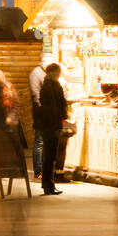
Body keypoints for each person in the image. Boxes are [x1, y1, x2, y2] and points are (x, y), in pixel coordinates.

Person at [36, 62, 68, 195]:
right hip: (51, 125)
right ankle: (48, 185)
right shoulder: (52, 86)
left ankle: (48, 185)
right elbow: (54, 107)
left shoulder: (48, 85)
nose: (59, 74)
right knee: (50, 156)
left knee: (49, 156)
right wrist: (58, 123)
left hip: (48, 125)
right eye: (58, 71)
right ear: (54, 72)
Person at [29, 54, 53, 178]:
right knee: (39, 140)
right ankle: (38, 170)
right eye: (50, 62)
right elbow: (35, 94)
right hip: (40, 113)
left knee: (45, 140)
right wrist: (42, 110)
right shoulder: (36, 74)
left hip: (47, 112)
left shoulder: (45, 73)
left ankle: (45, 168)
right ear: (43, 62)